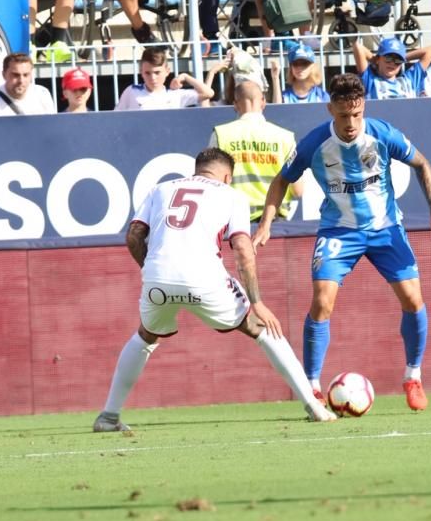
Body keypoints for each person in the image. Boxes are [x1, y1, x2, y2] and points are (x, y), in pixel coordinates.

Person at [92, 147, 336, 432]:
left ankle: (109, 416)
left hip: (157, 276)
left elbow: (134, 236)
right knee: (262, 327)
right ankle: (314, 407)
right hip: (204, 278)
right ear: (227, 176)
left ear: (198, 169)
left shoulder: (161, 188)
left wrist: (153, 272)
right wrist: (256, 302)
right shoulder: (231, 195)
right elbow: (243, 248)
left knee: (146, 336)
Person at [254, 73, 431, 411]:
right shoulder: (314, 143)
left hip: (386, 228)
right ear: (331, 108)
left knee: (413, 298)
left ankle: (413, 375)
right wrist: (266, 223)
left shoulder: (382, 133)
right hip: (338, 231)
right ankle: (312, 388)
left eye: (357, 114)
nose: (351, 123)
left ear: (364, 108)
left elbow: (422, 163)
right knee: (322, 301)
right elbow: (281, 180)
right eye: (344, 115)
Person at [209, 80, 303, 221]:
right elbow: (298, 191)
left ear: (235, 104)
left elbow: (211, 185)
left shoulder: (221, 134)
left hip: (234, 221)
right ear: (263, 102)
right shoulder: (285, 137)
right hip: (274, 221)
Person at [116, 48, 215, 110]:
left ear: (167, 71)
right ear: (141, 72)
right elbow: (116, 118)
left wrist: (185, 76)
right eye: (147, 73)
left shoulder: (175, 94)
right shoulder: (132, 91)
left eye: (157, 72)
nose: (152, 78)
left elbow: (208, 93)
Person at [352, 36, 431, 100]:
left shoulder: (409, 80)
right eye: (388, 58)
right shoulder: (369, 80)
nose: (392, 63)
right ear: (378, 58)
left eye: (397, 60)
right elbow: (358, 47)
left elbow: (430, 50)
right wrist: (376, 60)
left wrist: (403, 58)